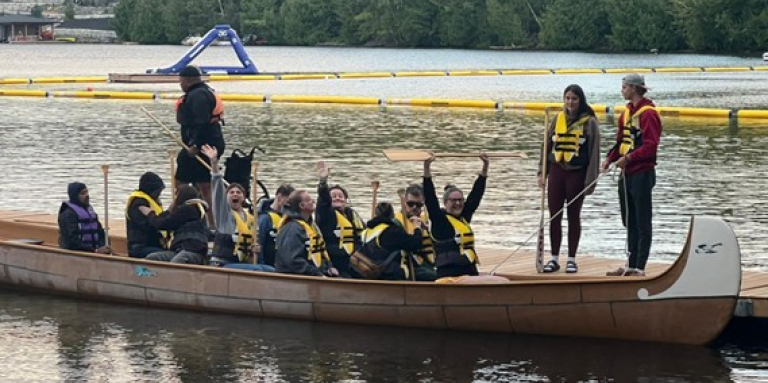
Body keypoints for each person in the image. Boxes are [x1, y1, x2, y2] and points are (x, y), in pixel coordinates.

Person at [601, 74, 662, 277]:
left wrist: (628, 159)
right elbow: (621, 142)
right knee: (629, 220)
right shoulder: (626, 113)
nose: (622, 90)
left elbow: (650, 147)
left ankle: (640, 267)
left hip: (642, 174)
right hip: (626, 174)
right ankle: (630, 263)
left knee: (642, 220)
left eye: (624, 87)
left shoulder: (648, 114)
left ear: (634, 89)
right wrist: (609, 159)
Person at [539, 84, 601, 274]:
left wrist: (590, 181)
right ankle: (554, 258)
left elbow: (594, 153)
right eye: (567, 98)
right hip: (557, 172)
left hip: (577, 174)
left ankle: (572, 259)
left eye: (574, 98)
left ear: (580, 100)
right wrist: (542, 173)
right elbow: (546, 147)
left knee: (574, 216)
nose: (570, 102)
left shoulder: (589, 122)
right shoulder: (556, 118)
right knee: (554, 216)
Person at [201, 144, 273, 271]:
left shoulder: (251, 219)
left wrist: (254, 250)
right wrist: (214, 164)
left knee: (271, 270)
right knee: (259, 271)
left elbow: (252, 249)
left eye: (238, 192)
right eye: (231, 192)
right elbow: (217, 191)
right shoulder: (224, 216)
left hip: (241, 263)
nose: (235, 194)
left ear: (244, 198)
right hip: (222, 263)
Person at [174, 65, 225, 231]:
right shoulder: (202, 91)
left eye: (181, 81)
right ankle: (188, 214)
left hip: (204, 146)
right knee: (186, 179)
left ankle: (211, 223)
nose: (180, 84)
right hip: (202, 144)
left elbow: (201, 122)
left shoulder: (198, 96)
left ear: (188, 80)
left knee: (202, 185)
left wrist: (195, 144)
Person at [423, 153, 490, 278]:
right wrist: (427, 167)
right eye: (453, 201)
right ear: (445, 203)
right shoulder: (439, 220)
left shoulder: (464, 217)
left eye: (460, 200)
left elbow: (476, 195)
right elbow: (429, 197)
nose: (458, 203)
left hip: (469, 270)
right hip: (449, 275)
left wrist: (485, 166)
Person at [315, 161, 366, 278]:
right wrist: (323, 182)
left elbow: (362, 235)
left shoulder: (352, 215)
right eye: (333, 196)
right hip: (334, 262)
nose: (337, 198)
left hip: (354, 261)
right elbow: (323, 201)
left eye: (340, 196)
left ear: (346, 200)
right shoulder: (326, 214)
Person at [275, 190, 339, 277]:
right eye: (309, 200)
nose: (313, 201)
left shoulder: (312, 226)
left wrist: (329, 267)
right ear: (301, 205)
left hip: (315, 274)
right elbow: (292, 260)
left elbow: (320, 252)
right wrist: (316, 273)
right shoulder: (292, 228)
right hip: (295, 277)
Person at [141, 185, 209, 265]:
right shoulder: (185, 210)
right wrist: (169, 210)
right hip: (179, 250)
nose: (175, 199)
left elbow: (162, 224)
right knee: (152, 258)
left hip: (193, 251)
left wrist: (150, 213)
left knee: (176, 262)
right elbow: (168, 220)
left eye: (177, 195)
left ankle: (171, 277)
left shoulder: (190, 209)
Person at [359, 202, 425, 280]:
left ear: (376, 214)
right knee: (430, 275)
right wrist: (417, 228)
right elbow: (415, 244)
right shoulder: (392, 231)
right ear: (392, 215)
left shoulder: (365, 232)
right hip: (390, 275)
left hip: (367, 273)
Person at [393, 184, 437, 281]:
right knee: (435, 276)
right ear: (404, 202)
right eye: (410, 204)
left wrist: (429, 229)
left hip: (430, 263)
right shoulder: (396, 223)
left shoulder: (427, 220)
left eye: (418, 205)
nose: (414, 207)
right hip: (410, 267)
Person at [58, 182, 112, 254]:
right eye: (83, 193)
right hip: (76, 254)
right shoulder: (68, 215)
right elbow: (71, 242)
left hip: (94, 252)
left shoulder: (90, 211)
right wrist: (94, 250)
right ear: (75, 196)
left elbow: (100, 233)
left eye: (87, 192)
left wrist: (103, 246)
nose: (87, 195)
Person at [125, 172, 169, 258]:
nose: (159, 194)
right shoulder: (138, 204)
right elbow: (149, 227)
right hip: (140, 247)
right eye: (158, 191)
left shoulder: (150, 201)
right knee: (170, 256)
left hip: (152, 245)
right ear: (151, 190)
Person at [257, 183, 295, 267]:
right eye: (288, 202)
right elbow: (259, 243)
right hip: (268, 266)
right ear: (279, 197)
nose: (290, 206)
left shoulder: (290, 219)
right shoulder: (264, 219)